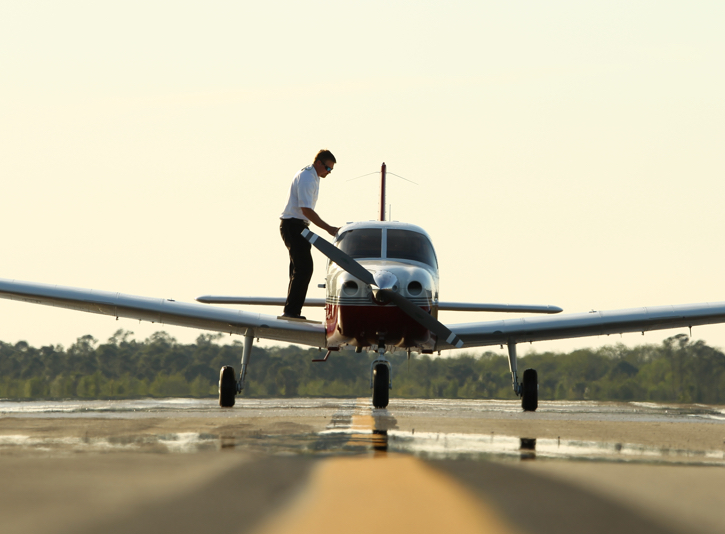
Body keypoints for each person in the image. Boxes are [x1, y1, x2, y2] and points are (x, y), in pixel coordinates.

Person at [280, 149, 340, 319]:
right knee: (304, 268)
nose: (329, 173)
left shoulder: (312, 175)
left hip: (297, 225)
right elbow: (306, 210)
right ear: (319, 163)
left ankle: (291, 310)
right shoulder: (307, 178)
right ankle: (291, 311)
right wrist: (328, 228)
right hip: (294, 225)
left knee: (299, 268)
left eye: (331, 170)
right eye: (328, 168)